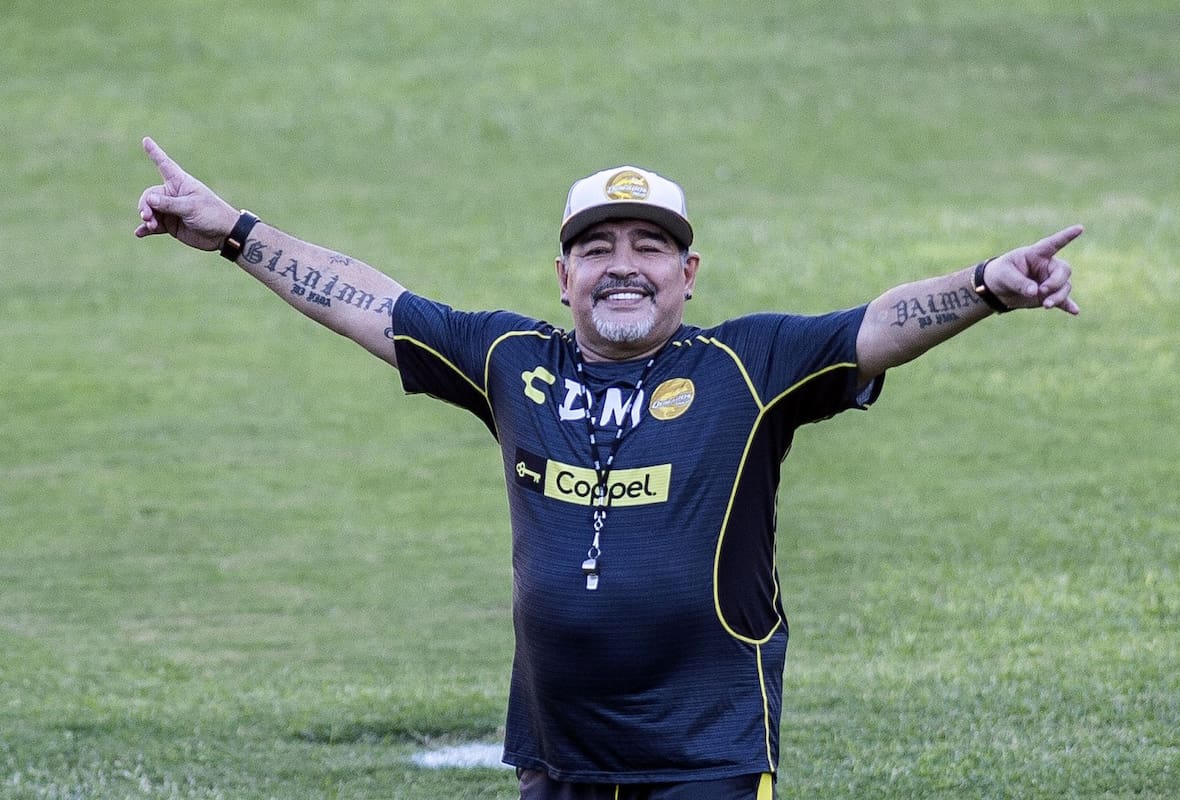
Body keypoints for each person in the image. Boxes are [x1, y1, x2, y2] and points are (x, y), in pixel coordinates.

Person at [135, 136, 1080, 800]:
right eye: (596, 248)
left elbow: (874, 324)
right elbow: (367, 299)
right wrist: (235, 232)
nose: (622, 266)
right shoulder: (511, 360)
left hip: (707, 750)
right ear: (563, 277)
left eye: (649, 248)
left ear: (689, 272)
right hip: (560, 751)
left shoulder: (749, 366)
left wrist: (988, 286)